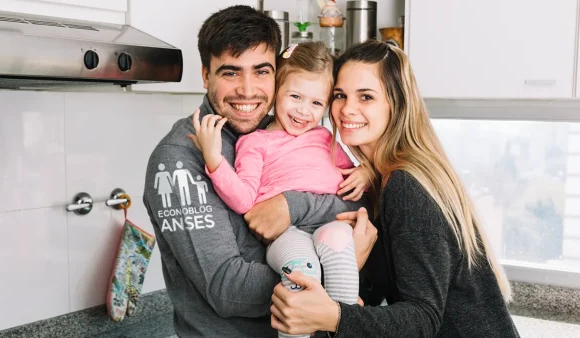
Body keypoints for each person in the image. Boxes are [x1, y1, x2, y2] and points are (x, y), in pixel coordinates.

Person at [268, 40, 520, 337]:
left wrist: (334, 316)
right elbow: (386, 295)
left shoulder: (405, 185)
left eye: (366, 97)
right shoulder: (383, 177)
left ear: (396, 103)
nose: (348, 109)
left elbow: (423, 319)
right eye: (340, 95)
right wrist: (356, 262)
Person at [142, 6, 362, 338]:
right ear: (205, 75)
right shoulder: (179, 160)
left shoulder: (289, 134)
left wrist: (294, 205)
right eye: (230, 72)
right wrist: (336, 269)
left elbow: (352, 203)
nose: (247, 89)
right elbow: (226, 288)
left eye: (261, 71)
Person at [189, 41, 368, 338]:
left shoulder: (324, 138)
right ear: (275, 94)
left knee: (340, 250)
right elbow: (244, 199)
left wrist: (366, 172)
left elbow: (354, 185)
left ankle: (344, 327)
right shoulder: (255, 143)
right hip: (288, 235)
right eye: (295, 96)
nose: (304, 111)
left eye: (316, 103)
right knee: (301, 271)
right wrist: (214, 160)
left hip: (328, 227)